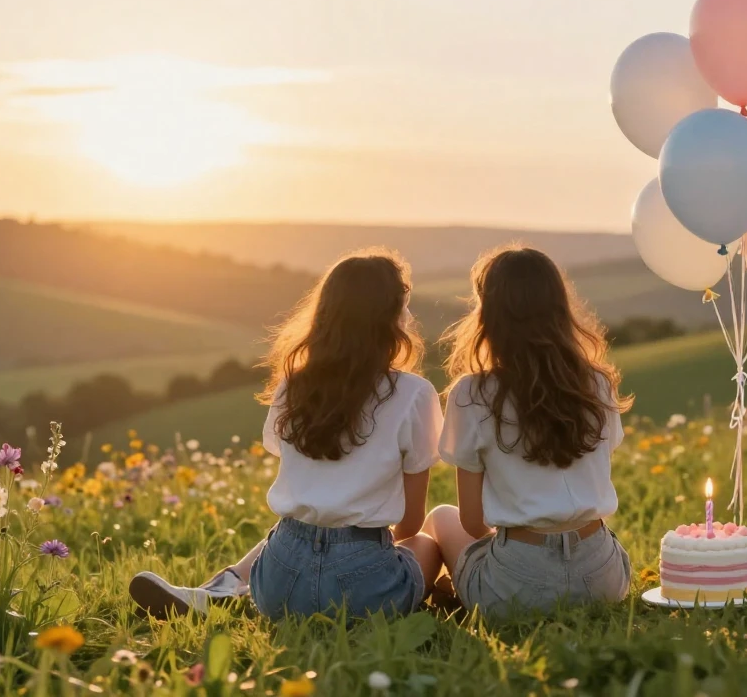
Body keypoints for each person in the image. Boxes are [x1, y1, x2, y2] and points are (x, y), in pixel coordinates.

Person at [129, 249, 443, 620]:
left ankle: (219, 589)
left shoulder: (294, 385)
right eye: (404, 305)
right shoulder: (415, 393)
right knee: (425, 543)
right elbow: (408, 524)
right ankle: (224, 590)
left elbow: (300, 474)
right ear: (391, 317)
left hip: (278, 582)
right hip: (362, 587)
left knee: (297, 530)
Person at [422, 245, 633, 618]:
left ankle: (451, 593)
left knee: (441, 517)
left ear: (488, 315)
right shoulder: (597, 384)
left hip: (518, 582)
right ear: (560, 306)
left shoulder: (472, 394)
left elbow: (473, 522)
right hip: (603, 576)